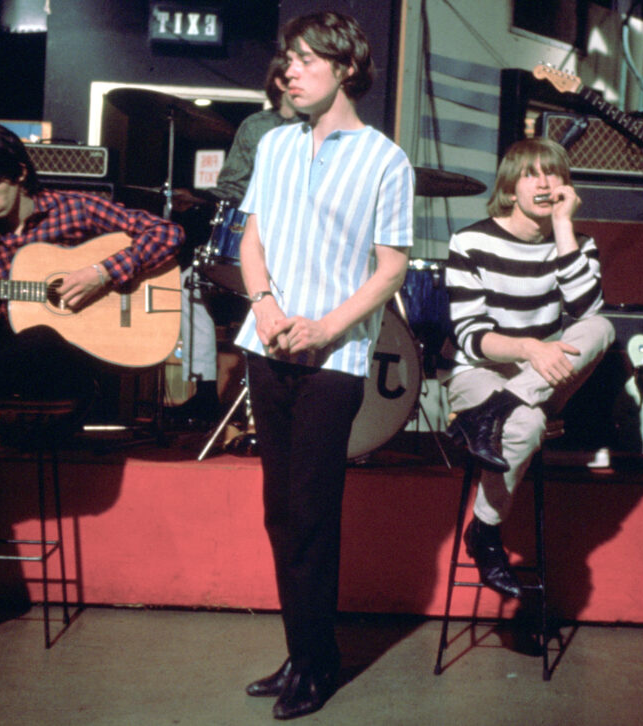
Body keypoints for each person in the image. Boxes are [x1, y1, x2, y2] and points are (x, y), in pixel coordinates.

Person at [0, 121, 183, 582]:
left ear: (18, 173)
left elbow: (167, 234)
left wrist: (102, 272)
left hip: (69, 369)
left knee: (40, 338)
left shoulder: (74, 210)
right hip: (7, 365)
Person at [235, 13, 413, 720]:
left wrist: (324, 328)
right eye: (288, 58)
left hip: (334, 354)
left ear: (345, 68)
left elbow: (391, 268)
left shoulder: (384, 159)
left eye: (307, 58)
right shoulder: (275, 145)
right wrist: (268, 305)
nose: (291, 69)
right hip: (266, 341)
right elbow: (253, 240)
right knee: (280, 512)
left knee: (312, 511)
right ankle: (300, 651)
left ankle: (319, 663)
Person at [440, 138, 615, 599]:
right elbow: (470, 337)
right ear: (509, 186)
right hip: (482, 371)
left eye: (552, 173)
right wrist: (530, 348)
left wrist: (563, 227)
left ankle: (493, 415)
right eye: (530, 174)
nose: (543, 182)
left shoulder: (577, 243)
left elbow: (586, 310)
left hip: (538, 376)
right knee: (525, 426)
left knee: (601, 328)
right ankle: (486, 532)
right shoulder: (471, 241)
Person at [168, 55, 300, 428]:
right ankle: (206, 392)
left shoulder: (319, 127)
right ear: (278, 83)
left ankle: (269, 401)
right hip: (250, 239)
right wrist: (201, 197)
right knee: (190, 284)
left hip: (293, 249)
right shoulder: (257, 127)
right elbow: (231, 186)